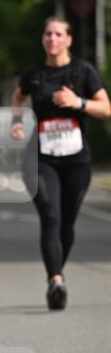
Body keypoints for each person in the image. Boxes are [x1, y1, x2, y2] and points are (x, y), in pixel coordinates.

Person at [10, 16, 110, 309]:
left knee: (67, 222)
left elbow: (106, 108)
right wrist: (17, 121)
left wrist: (79, 102)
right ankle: (56, 279)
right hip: (41, 158)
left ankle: (57, 275)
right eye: (48, 34)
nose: (52, 39)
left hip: (76, 160)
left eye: (58, 34)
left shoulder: (83, 71)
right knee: (50, 216)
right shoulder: (33, 74)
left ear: (68, 39)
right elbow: (18, 97)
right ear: (43, 39)